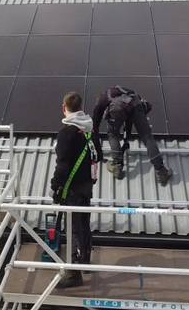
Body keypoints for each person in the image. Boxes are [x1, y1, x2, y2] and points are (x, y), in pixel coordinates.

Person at [50, 91, 97, 289]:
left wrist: (55, 185)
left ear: (64, 108)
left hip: (72, 190)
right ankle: (84, 262)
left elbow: (62, 165)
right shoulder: (90, 130)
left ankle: (73, 274)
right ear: (80, 108)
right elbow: (98, 155)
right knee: (83, 225)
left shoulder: (67, 133)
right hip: (86, 187)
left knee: (72, 229)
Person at [92, 85, 173, 185]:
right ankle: (161, 171)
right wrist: (125, 141)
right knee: (147, 137)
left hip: (116, 108)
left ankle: (117, 165)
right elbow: (129, 118)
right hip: (134, 106)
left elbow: (94, 127)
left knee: (112, 134)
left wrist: (98, 152)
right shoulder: (134, 97)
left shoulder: (104, 98)